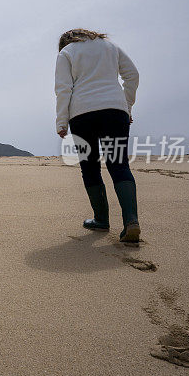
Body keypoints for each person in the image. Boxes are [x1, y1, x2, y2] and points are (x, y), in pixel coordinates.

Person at [54, 29, 140, 242]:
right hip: (114, 111)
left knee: (90, 166)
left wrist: (61, 121)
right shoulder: (111, 47)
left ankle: (101, 219)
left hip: (81, 115)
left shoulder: (66, 53)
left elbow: (63, 88)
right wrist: (127, 106)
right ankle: (131, 221)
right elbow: (132, 76)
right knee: (119, 164)